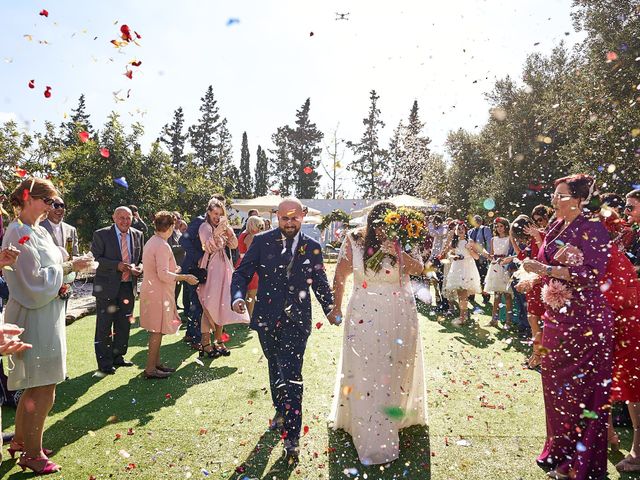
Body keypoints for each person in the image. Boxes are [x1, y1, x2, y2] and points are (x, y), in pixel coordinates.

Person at [523, 174, 614, 479]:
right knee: (557, 392)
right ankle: (561, 457)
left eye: (560, 196)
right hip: (556, 320)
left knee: (584, 394)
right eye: (553, 194)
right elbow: (542, 264)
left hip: (586, 323)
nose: (554, 200)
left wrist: (546, 270)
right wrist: (531, 279)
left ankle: (581, 463)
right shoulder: (553, 227)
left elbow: (591, 275)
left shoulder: (594, 230)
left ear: (578, 200)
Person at [231, 197, 334, 464]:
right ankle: (280, 409)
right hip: (266, 318)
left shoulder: (312, 247)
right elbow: (241, 273)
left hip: (297, 322)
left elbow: (319, 281)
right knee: (275, 366)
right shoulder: (262, 242)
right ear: (277, 216)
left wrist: (331, 308)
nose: (290, 223)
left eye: (295, 218)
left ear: (304, 216)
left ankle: (292, 438)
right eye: (285, 218)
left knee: (291, 375)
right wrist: (238, 296)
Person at [3, 177, 91, 474]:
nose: (52, 207)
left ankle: (20, 440)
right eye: (48, 200)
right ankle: (32, 452)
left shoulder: (35, 231)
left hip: (46, 313)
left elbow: (49, 271)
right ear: (29, 199)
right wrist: (67, 269)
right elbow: (33, 282)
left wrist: (68, 270)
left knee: (37, 383)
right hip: (33, 314)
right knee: (44, 385)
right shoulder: (18, 232)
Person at [328, 201, 427, 465]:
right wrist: (335, 307)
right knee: (366, 369)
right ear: (373, 224)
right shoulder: (356, 239)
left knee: (395, 367)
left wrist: (398, 253)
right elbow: (340, 275)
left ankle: (394, 415)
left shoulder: (406, 239)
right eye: (381, 225)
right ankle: (367, 427)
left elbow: (420, 269)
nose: (385, 231)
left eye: (390, 226)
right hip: (364, 312)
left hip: (400, 311)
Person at [139, 212, 198, 379]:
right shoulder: (162, 245)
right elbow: (163, 274)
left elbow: (161, 270)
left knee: (156, 330)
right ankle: (150, 369)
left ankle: (156, 363)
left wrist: (175, 271)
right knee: (157, 330)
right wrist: (185, 277)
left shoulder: (153, 241)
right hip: (158, 292)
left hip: (152, 290)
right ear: (171, 227)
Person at [91, 207, 144, 375]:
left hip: (128, 286)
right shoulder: (101, 234)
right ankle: (105, 363)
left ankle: (118, 356)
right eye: (121, 218)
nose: (125, 221)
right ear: (114, 217)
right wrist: (117, 265)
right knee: (104, 326)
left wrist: (140, 267)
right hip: (107, 287)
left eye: (128, 218)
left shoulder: (138, 235)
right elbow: (96, 259)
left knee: (124, 324)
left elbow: (141, 258)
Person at [198, 199, 249, 357]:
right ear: (208, 213)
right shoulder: (204, 227)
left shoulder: (222, 226)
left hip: (224, 268)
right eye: (215, 214)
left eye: (220, 214)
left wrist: (228, 231)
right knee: (209, 305)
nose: (217, 217)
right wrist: (218, 231)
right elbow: (209, 247)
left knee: (222, 304)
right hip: (210, 269)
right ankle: (205, 343)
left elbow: (234, 245)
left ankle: (218, 340)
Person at [510, 215, 546, 368]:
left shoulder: (542, 237)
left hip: (540, 284)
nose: (521, 240)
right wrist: (512, 240)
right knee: (533, 320)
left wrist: (532, 281)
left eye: (520, 237)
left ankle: (540, 356)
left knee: (537, 321)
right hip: (532, 285)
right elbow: (523, 257)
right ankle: (536, 354)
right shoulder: (533, 238)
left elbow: (544, 265)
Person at [445, 221, 481, 326]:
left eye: (462, 229)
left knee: (464, 294)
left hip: (467, 267)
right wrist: (453, 256)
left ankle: (462, 316)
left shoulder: (469, 241)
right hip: (457, 267)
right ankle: (463, 314)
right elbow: (450, 253)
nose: (460, 231)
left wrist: (469, 249)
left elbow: (477, 257)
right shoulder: (454, 242)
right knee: (459, 293)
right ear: (455, 231)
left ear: (466, 230)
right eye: (458, 229)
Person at [482, 217, 513, 328]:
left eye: (501, 226)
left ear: (505, 226)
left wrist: (505, 261)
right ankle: (494, 320)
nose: (499, 228)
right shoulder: (493, 239)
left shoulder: (510, 238)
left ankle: (508, 321)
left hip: (505, 266)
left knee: (507, 294)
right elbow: (491, 255)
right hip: (495, 267)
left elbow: (511, 253)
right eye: (497, 226)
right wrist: (488, 256)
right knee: (496, 295)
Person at [235, 216, 265, 317]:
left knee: (245, 292)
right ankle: (248, 317)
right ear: (253, 225)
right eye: (259, 225)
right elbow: (252, 253)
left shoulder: (244, 234)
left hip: (242, 263)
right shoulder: (250, 236)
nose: (261, 228)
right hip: (250, 265)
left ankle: (243, 317)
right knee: (251, 293)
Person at [468, 215, 492, 304]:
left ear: (481, 221)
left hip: (482, 257)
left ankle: (485, 295)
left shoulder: (485, 229)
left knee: (482, 277)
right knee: (472, 276)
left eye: (478, 220)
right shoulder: (470, 231)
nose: (477, 222)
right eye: (475, 220)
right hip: (472, 257)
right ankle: (471, 295)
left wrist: (488, 255)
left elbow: (489, 242)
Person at [428, 215, 449, 312]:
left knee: (442, 280)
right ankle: (442, 302)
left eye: (434, 222)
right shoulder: (438, 230)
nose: (433, 224)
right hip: (436, 257)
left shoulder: (444, 228)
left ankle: (445, 303)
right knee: (438, 279)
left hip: (442, 257)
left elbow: (433, 233)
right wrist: (431, 257)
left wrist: (430, 224)